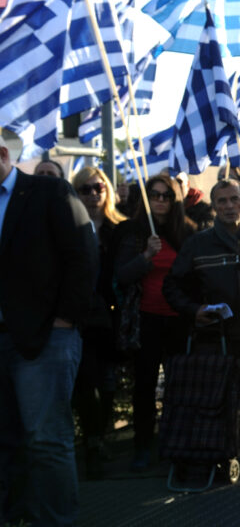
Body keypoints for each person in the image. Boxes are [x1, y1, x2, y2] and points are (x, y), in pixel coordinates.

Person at [0, 130, 97, 527]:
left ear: (3, 156)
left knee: (45, 439)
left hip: (44, 339)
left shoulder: (46, 191)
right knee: (8, 442)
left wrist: (66, 319)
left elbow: (83, 255)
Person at [163, 178, 240, 472]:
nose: (229, 206)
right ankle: (220, 453)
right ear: (214, 206)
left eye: (235, 199)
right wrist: (193, 310)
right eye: (222, 201)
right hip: (216, 336)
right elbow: (172, 286)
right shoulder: (198, 243)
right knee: (217, 400)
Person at [114, 173, 197, 471]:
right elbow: (122, 275)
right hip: (145, 319)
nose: (160, 200)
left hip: (179, 319)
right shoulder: (133, 232)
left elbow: (195, 278)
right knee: (145, 386)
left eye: (166, 196)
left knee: (179, 386)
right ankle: (142, 446)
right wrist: (145, 256)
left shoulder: (188, 233)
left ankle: (175, 443)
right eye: (155, 195)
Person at [70, 166, 126, 478]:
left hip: (111, 315)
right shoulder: (66, 225)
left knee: (106, 382)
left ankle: (98, 437)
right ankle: (91, 441)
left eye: (98, 188)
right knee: (83, 382)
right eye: (85, 189)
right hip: (77, 315)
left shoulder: (120, 228)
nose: (93, 194)